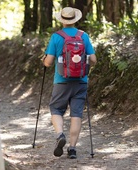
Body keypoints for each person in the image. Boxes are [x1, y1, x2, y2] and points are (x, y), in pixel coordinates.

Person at [42, 7, 97, 159]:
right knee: (76, 114)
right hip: (81, 81)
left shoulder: (56, 37)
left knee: (56, 109)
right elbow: (93, 60)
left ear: (62, 20)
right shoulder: (83, 36)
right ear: (75, 19)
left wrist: (44, 61)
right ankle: (72, 149)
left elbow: (48, 62)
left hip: (61, 81)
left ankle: (60, 134)